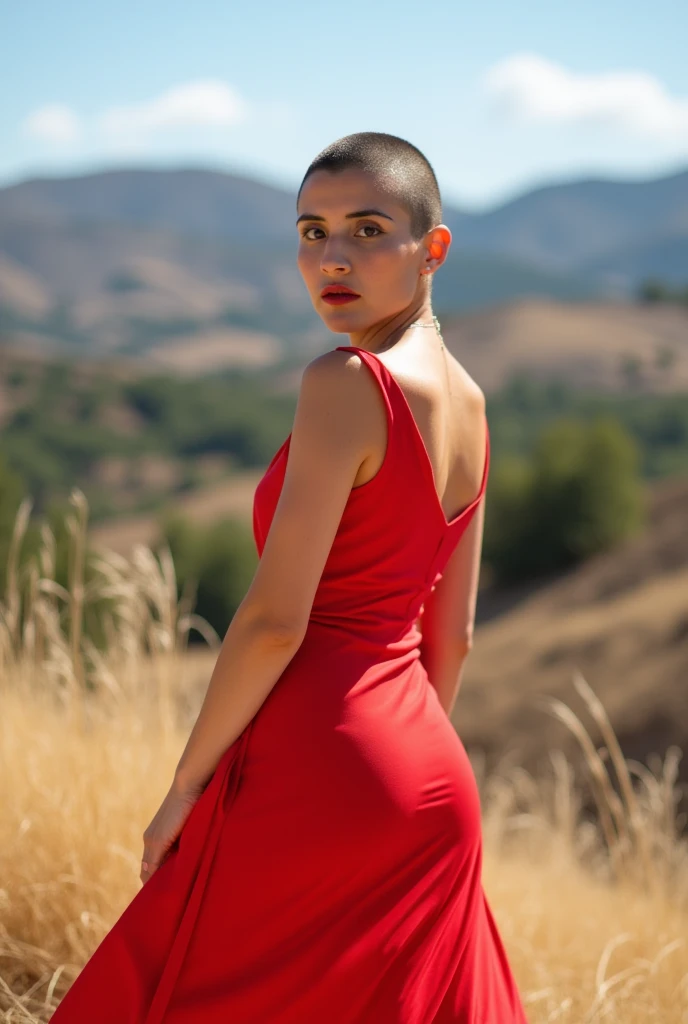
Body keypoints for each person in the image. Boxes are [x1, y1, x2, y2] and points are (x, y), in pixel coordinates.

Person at [49, 131, 528, 1023]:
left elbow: (276, 619)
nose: (331, 257)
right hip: (428, 779)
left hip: (317, 761)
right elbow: (450, 638)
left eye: (366, 229)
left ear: (435, 248)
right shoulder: (472, 403)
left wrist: (185, 786)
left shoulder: (348, 382)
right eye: (312, 232)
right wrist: (398, 767)